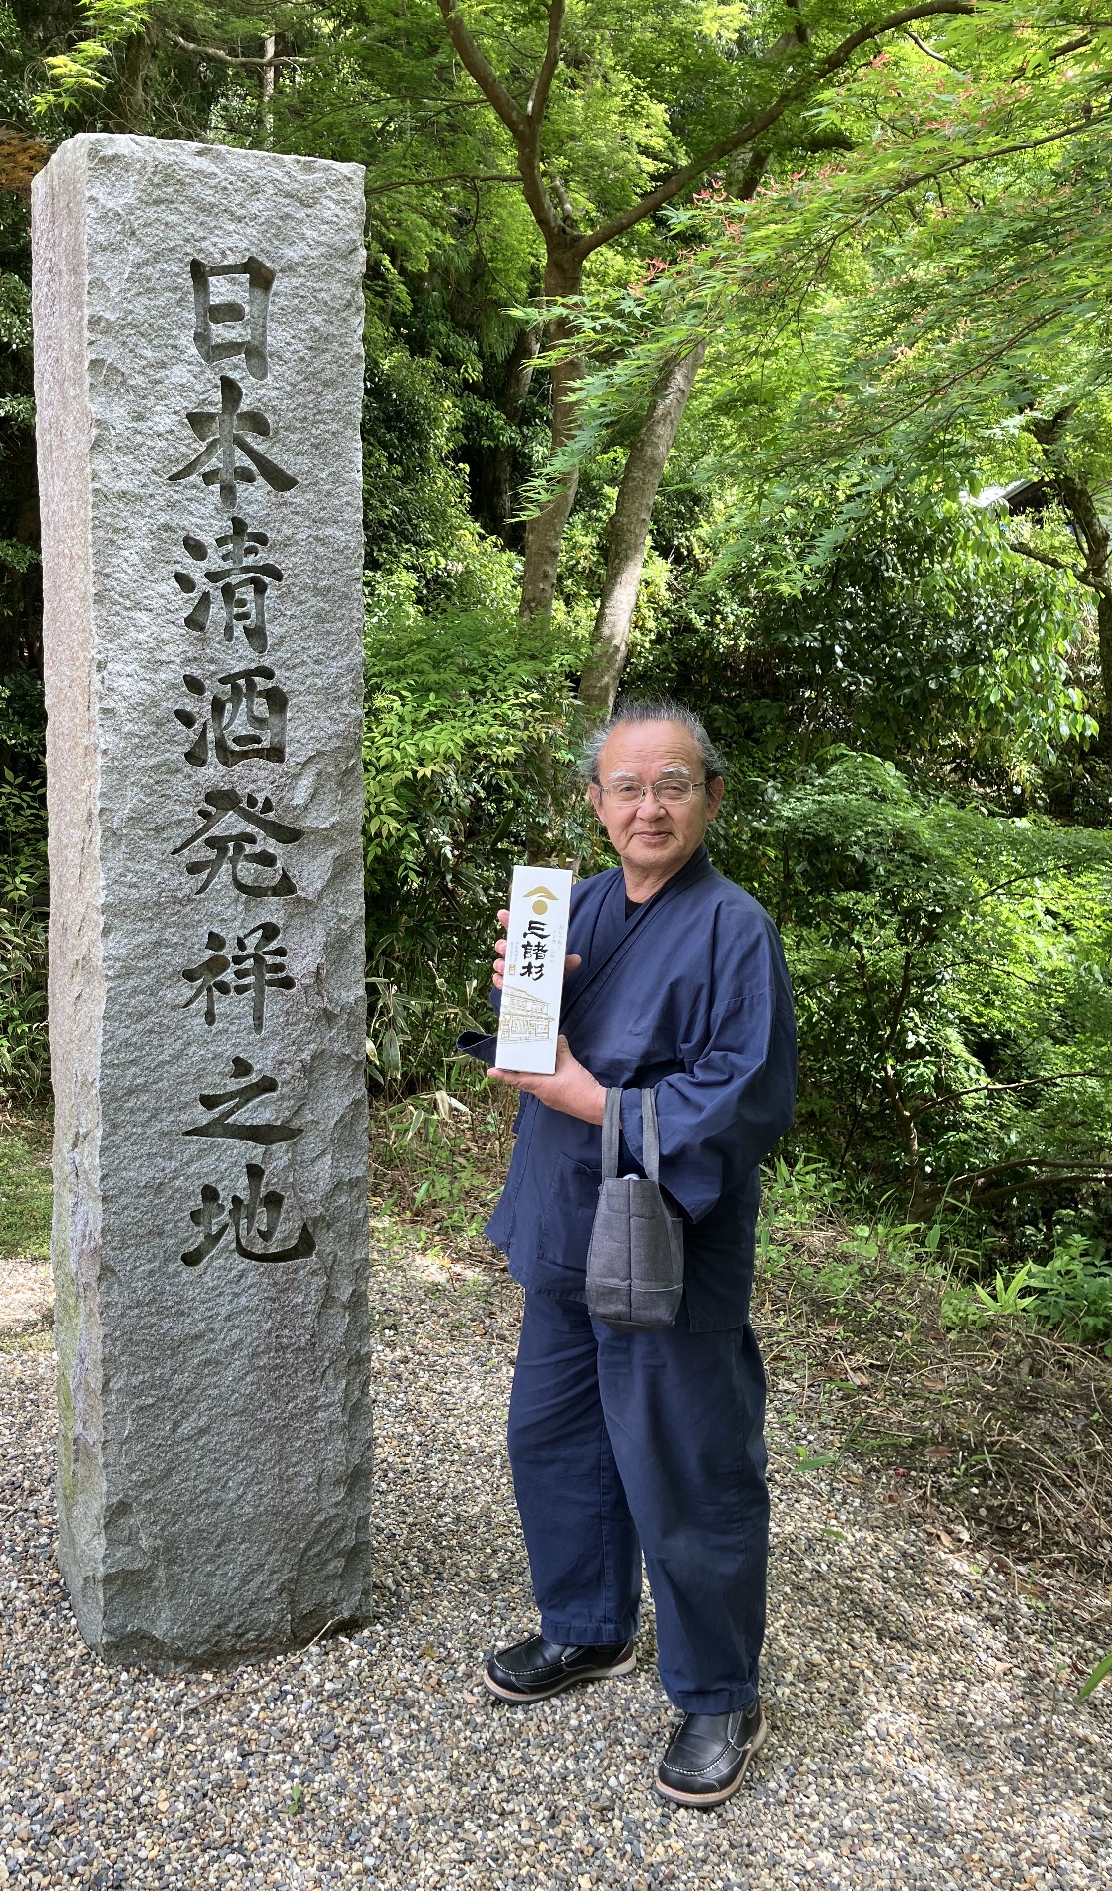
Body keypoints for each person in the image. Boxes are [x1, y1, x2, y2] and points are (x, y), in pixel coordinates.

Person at [459, 699, 797, 1809]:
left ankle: (715, 1687)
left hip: (667, 1238)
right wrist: (518, 1000)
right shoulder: (578, 908)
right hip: (565, 1220)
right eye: (625, 786)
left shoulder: (734, 928)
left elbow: (739, 1099)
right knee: (551, 1437)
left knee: (686, 1460)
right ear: (596, 802)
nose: (647, 806)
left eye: (672, 785)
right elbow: (539, 1046)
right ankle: (587, 1625)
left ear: (707, 796)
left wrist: (589, 1093)